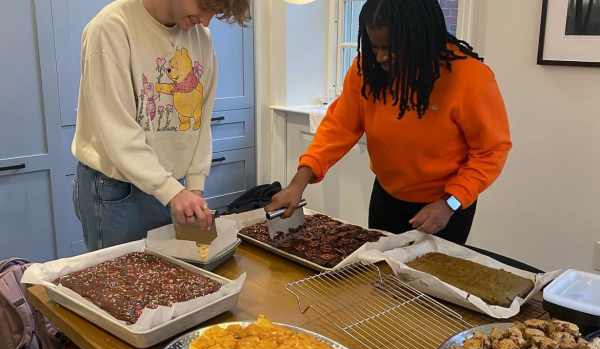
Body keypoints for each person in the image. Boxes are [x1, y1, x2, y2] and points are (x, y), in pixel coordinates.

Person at [265, 0, 512, 244]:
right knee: (380, 275)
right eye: (374, 47)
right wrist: (299, 181)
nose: (380, 57)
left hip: (445, 206)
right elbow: (339, 127)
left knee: (428, 282)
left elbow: (490, 152)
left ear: (420, 39)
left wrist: (450, 203)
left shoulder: (470, 79)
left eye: (390, 48)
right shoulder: (367, 70)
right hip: (386, 197)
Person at [72, 0, 251, 252]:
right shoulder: (111, 28)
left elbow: (200, 120)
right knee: (125, 287)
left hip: (172, 187)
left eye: (216, 12)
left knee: (173, 282)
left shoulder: (202, 37)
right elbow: (117, 132)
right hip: (117, 189)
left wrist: (194, 186)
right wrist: (172, 191)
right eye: (204, 5)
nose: (207, 20)